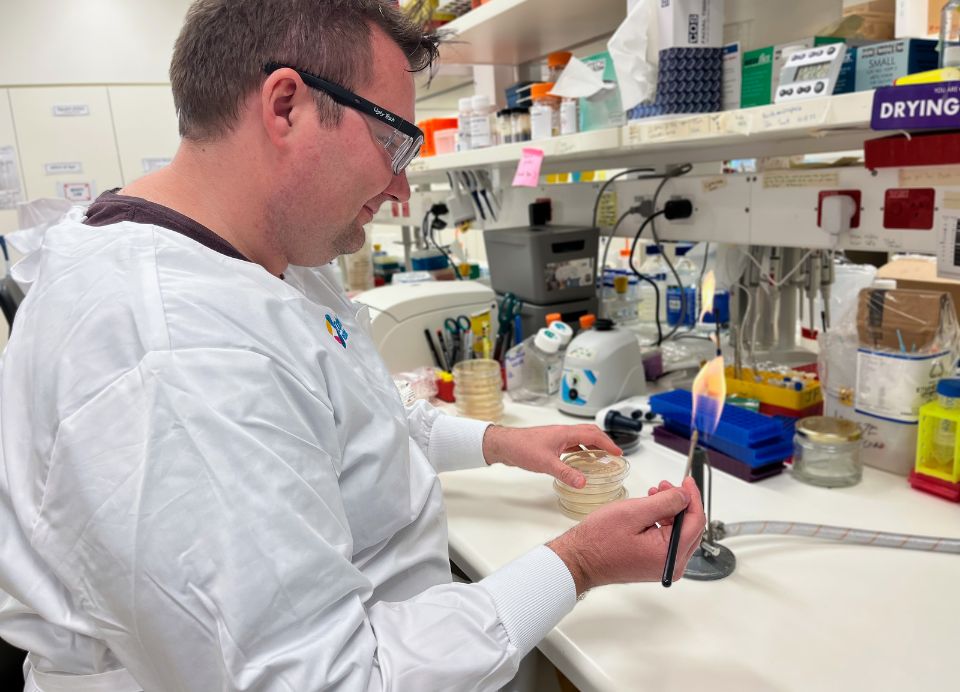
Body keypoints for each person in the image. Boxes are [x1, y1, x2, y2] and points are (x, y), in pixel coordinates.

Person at [0, 1, 705, 690]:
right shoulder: (176, 354)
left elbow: (347, 419)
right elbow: (324, 679)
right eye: (394, 140)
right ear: (286, 107)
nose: (402, 186)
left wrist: (498, 442)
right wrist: (579, 563)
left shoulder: (264, 255)